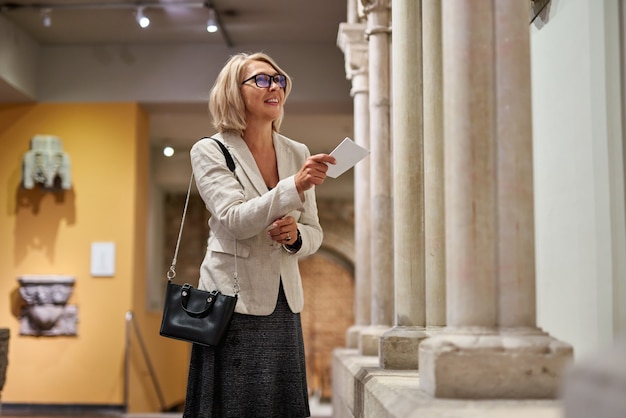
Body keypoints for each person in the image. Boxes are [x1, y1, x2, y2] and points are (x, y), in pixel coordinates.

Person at [182, 52, 336, 418]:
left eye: (279, 80)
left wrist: (295, 236)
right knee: (234, 405)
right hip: (231, 303)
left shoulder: (296, 151)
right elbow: (234, 218)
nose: (275, 87)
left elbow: (315, 232)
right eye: (262, 80)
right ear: (234, 92)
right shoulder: (210, 150)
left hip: (284, 303)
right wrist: (293, 186)